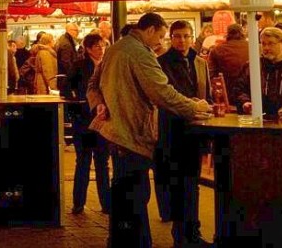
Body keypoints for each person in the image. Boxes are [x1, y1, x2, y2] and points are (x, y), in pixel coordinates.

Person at [87, 13, 212, 247]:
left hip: (116, 130)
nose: (161, 42)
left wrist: (99, 104)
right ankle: (135, 241)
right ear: (151, 29)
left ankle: (121, 239)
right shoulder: (140, 53)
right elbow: (162, 93)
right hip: (132, 131)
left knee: (124, 189)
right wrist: (194, 106)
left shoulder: (115, 48)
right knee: (135, 191)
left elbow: (93, 85)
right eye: (162, 36)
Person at [154, 20, 212, 247]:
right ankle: (182, 234)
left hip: (196, 130)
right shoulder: (161, 63)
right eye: (177, 36)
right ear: (170, 38)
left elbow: (204, 90)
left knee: (192, 183)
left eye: (186, 36)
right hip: (173, 130)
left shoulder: (200, 62)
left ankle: (192, 232)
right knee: (179, 183)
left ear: (192, 36)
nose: (182, 40)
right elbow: (166, 96)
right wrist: (191, 104)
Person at [68, 33, 110, 216]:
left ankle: (106, 203)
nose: (101, 49)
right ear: (87, 49)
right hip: (83, 121)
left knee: (102, 162)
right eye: (97, 46)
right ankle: (78, 203)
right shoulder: (79, 66)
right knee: (83, 161)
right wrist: (77, 107)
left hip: (102, 120)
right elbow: (65, 87)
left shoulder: (108, 65)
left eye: (103, 46)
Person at [232, 26, 282, 116]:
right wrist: (245, 102)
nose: (266, 48)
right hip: (259, 120)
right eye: (263, 44)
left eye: (271, 44)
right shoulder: (252, 66)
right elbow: (238, 90)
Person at [207, 23, 249, 101]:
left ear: (227, 34)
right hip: (251, 94)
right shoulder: (253, 47)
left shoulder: (217, 50)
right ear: (242, 33)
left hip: (227, 96)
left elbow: (210, 75)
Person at [55, 22, 80, 95]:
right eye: (76, 30)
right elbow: (66, 62)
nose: (77, 33)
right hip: (66, 78)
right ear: (70, 30)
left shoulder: (65, 40)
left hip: (64, 77)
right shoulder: (66, 44)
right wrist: (72, 75)